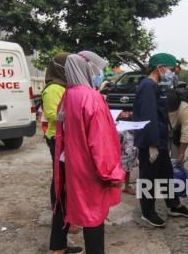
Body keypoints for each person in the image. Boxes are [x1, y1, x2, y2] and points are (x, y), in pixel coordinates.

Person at [52, 52, 125, 254]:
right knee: (93, 216)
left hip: (73, 165)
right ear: (85, 70)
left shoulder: (67, 95)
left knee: (83, 210)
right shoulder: (91, 97)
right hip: (91, 167)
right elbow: (100, 143)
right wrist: (113, 174)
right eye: (94, 71)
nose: (96, 75)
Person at [133, 53, 188, 227]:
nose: (172, 73)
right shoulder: (148, 86)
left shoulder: (156, 86)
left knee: (166, 175)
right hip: (151, 141)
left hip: (159, 140)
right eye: (171, 69)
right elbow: (149, 116)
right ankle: (148, 212)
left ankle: (174, 205)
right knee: (149, 178)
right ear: (160, 68)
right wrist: (153, 144)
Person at [42, 53, 83, 254]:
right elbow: (51, 114)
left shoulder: (66, 87)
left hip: (68, 138)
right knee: (61, 184)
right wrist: (76, 112)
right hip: (56, 139)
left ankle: (63, 235)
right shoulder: (53, 89)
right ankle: (60, 221)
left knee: (66, 184)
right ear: (59, 68)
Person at [119, 130, 138, 195]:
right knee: (121, 172)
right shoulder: (121, 132)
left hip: (130, 156)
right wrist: (121, 145)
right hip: (123, 156)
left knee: (127, 171)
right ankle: (118, 187)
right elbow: (115, 142)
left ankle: (126, 187)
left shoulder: (133, 133)